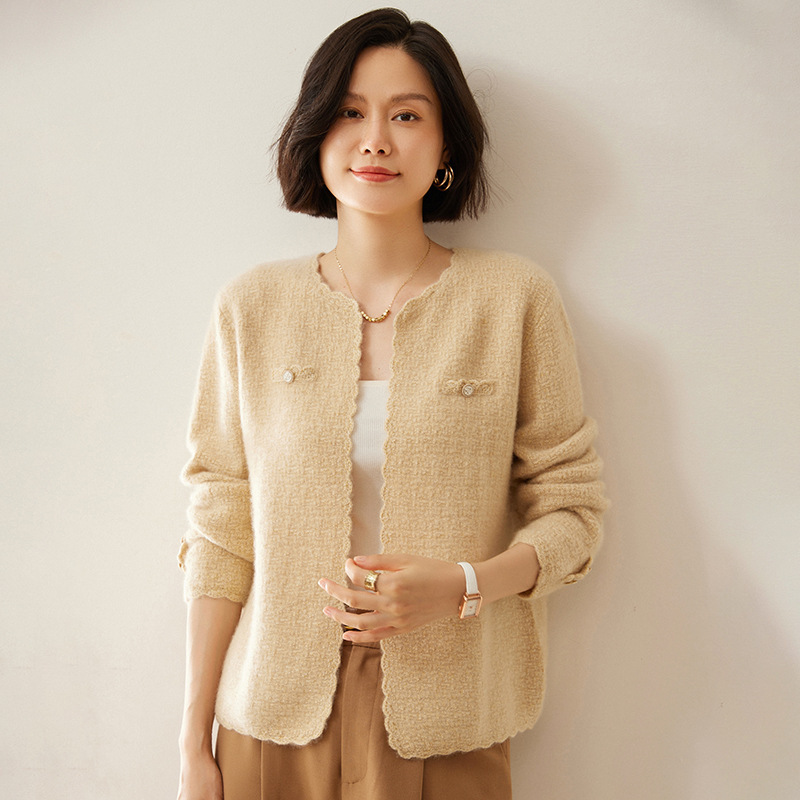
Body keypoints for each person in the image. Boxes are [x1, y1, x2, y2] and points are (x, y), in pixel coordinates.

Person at [176, 8, 607, 800]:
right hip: (269, 722)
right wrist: (193, 742)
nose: (375, 140)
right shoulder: (251, 308)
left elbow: (572, 514)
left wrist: (466, 584)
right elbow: (220, 528)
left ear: (446, 149)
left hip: (450, 719)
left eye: (406, 116)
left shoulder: (512, 299)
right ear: (316, 136)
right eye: (349, 113)